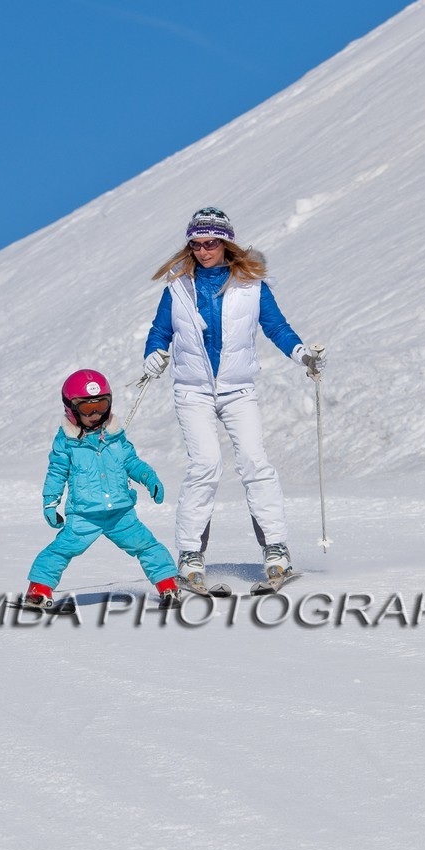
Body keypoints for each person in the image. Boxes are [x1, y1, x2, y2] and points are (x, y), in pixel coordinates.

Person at [142, 206, 324, 587]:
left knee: (256, 463)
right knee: (205, 465)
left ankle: (275, 549)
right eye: (196, 244)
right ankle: (191, 555)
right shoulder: (177, 288)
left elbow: (276, 326)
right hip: (193, 391)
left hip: (238, 390)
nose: (203, 250)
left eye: (210, 243)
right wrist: (154, 355)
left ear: (226, 243)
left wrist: (302, 354)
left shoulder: (252, 285)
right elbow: (160, 332)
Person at [25, 369, 182, 610]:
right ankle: (38, 590)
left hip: (121, 513)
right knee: (60, 551)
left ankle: (168, 585)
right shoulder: (66, 442)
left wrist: (149, 477)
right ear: (72, 408)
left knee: (147, 546)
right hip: (84, 515)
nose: (96, 413)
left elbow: (131, 462)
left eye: (101, 405)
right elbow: (56, 472)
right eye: (88, 409)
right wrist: (50, 502)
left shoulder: (115, 436)